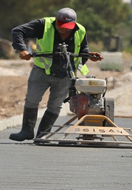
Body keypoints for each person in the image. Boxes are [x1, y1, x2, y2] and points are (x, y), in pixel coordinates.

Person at [9, 8, 102, 141]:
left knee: (55, 105)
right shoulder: (43, 25)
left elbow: (83, 48)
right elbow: (18, 31)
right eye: (61, 26)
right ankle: (27, 131)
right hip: (41, 71)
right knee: (32, 99)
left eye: (67, 28)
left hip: (65, 74)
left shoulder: (80, 30)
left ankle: (43, 135)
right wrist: (22, 49)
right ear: (56, 21)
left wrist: (89, 54)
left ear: (74, 24)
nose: (64, 30)